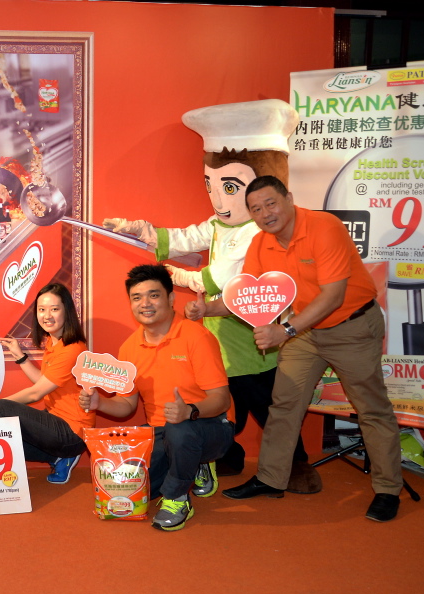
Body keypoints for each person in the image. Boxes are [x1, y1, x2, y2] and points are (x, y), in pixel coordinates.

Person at [104, 99, 320, 495]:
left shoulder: (261, 231)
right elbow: (187, 237)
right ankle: (226, 457)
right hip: (217, 339)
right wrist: (140, 230)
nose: (219, 201)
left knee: (268, 406)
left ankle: (295, 466)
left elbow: (222, 277)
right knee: (220, 406)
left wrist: (178, 276)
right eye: (212, 186)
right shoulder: (220, 224)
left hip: (254, 340)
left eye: (231, 188)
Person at [189, 175, 403, 522]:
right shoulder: (261, 243)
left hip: (350, 326)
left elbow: (333, 296)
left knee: (371, 408)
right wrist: (207, 309)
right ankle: (271, 479)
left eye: (270, 203)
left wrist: (285, 330)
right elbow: (248, 296)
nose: (265, 214)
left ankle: (388, 489)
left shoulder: (324, 227)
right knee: (284, 405)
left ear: (289, 199)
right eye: (256, 209)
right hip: (305, 331)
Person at [79, 264, 233, 531]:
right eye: (137, 297)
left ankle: (178, 498)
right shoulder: (129, 348)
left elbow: (222, 399)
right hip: (160, 431)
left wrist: (190, 411)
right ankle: (191, 465)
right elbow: (126, 404)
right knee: (132, 488)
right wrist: (99, 403)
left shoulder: (197, 336)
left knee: (180, 430)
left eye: (154, 295)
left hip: (210, 425)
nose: (145, 304)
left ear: (171, 298)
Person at [0, 283, 93, 484]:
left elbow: (36, 393)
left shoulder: (72, 349)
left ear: (67, 311)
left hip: (72, 432)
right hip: (55, 419)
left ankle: (66, 453)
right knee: (4, 433)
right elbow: (43, 382)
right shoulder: (53, 342)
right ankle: (58, 458)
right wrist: (20, 356)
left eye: (54, 309)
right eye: (42, 310)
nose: (47, 315)